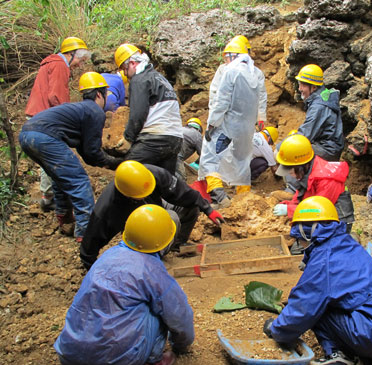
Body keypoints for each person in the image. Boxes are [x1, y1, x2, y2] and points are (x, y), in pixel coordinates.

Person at [263, 196, 372, 365]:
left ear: (307, 231)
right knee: (329, 300)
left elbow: (304, 306)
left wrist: (277, 329)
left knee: (318, 309)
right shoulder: (347, 244)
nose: (298, 243)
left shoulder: (323, 260)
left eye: (298, 236)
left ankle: (341, 357)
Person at [55, 204, 194, 365]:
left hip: (70, 356)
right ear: (165, 242)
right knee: (160, 309)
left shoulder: (107, 257)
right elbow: (179, 316)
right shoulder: (152, 271)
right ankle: (151, 364)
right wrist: (182, 345)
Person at [19, 72, 122, 241]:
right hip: (45, 138)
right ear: (99, 94)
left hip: (27, 135)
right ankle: (86, 232)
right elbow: (92, 152)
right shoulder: (95, 111)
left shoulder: (80, 110)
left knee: (60, 178)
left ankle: (65, 218)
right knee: (79, 180)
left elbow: (85, 151)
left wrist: (103, 161)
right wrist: (113, 162)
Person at [79, 160, 224, 270]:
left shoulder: (154, 174)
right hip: (141, 232)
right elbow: (90, 243)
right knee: (171, 217)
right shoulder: (108, 207)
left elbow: (184, 192)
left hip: (155, 209)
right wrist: (93, 270)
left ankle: (176, 245)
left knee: (191, 207)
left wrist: (208, 209)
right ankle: (153, 260)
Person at [25, 36, 91, 212]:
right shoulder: (60, 65)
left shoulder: (50, 63)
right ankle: (52, 197)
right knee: (54, 157)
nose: (80, 65)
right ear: (70, 54)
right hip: (45, 119)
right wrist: (68, 116)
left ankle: (48, 196)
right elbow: (55, 96)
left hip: (36, 116)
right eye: (80, 60)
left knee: (47, 160)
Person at [198, 38, 261, 208]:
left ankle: (220, 198)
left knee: (209, 158)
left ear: (234, 56)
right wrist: (260, 119)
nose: (225, 61)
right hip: (246, 129)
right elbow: (260, 99)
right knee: (242, 161)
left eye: (227, 57)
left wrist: (211, 124)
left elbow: (221, 101)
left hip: (227, 126)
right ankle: (244, 198)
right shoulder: (255, 73)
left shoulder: (230, 72)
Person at [272, 134, 354, 253]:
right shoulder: (309, 170)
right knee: (298, 243)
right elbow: (303, 194)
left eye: (290, 170)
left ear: (300, 166)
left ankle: (347, 241)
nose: (289, 174)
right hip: (320, 214)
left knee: (301, 250)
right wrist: (289, 204)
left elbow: (317, 210)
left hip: (335, 220)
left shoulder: (326, 180)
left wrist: (289, 210)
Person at [114, 43, 184, 175]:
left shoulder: (139, 79)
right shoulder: (161, 79)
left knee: (127, 172)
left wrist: (128, 138)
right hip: (175, 139)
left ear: (132, 63)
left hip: (156, 138)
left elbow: (138, 114)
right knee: (163, 181)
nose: (126, 75)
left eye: (124, 69)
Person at [208, 35, 267, 131]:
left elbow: (261, 96)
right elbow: (215, 95)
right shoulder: (223, 70)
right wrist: (214, 119)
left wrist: (261, 117)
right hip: (226, 117)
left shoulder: (255, 72)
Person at [294, 64, 345, 161]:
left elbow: (305, 135)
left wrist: (283, 145)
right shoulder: (323, 95)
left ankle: (303, 176)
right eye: (299, 84)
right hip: (330, 146)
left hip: (327, 149)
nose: (300, 88)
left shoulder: (318, 106)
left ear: (313, 87)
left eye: (303, 85)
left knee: (293, 151)